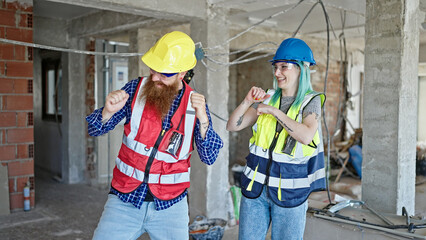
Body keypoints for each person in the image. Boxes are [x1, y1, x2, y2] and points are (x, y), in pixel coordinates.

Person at [86, 31, 223, 240]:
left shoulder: (195, 105)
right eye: (153, 70)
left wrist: (204, 120)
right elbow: (95, 129)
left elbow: (209, 157)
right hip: (124, 198)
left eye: (164, 74)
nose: (155, 77)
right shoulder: (135, 89)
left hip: (170, 206)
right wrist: (107, 111)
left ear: (182, 72)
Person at [227, 38, 326, 240]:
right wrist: (248, 102)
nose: (277, 73)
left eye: (284, 67)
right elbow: (233, 125)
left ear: (301, 69)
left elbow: (306, 135)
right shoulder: (269, 97)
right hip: (255, 189)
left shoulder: (311, 101)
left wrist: (274, 112)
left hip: (290, 193)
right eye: (276, 67)